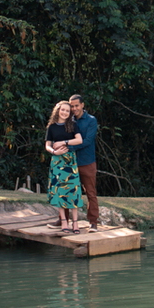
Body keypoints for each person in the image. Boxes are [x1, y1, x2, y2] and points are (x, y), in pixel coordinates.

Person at [44, 100, 83, 233]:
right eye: (63, 110)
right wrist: (54, 152)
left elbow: (79, 140)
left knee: (73, 190)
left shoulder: (72, 125)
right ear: (58, 110)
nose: (65, 112)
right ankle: (64, 222)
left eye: (67, 111)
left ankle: (75, 223)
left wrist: (63, 142)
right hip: (57, 161)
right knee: (59, 191)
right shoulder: (52, 127)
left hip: (70, 161)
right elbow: (47, 145)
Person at [68, 94, 100, 231]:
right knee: (67, 191)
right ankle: (63, 220)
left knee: (90, 193)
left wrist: (69, 147)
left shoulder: (91, 120)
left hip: (87, 162)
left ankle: (93, 222)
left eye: (76, 105)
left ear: (82, 105)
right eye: (72, 106)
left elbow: (87, 141)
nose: (74, 108)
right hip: (71, 162)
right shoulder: (68, 120)